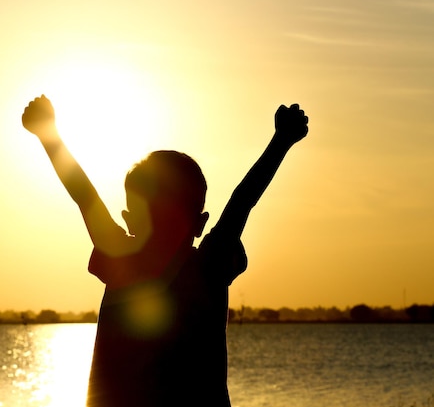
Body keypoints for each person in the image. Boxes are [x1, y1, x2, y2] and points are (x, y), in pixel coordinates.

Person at [21, 95, 308, 406]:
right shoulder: (141, 264)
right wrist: (281, 141)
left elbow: (243, 200)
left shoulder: (188, 267)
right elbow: (243, 201)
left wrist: (49, 135)